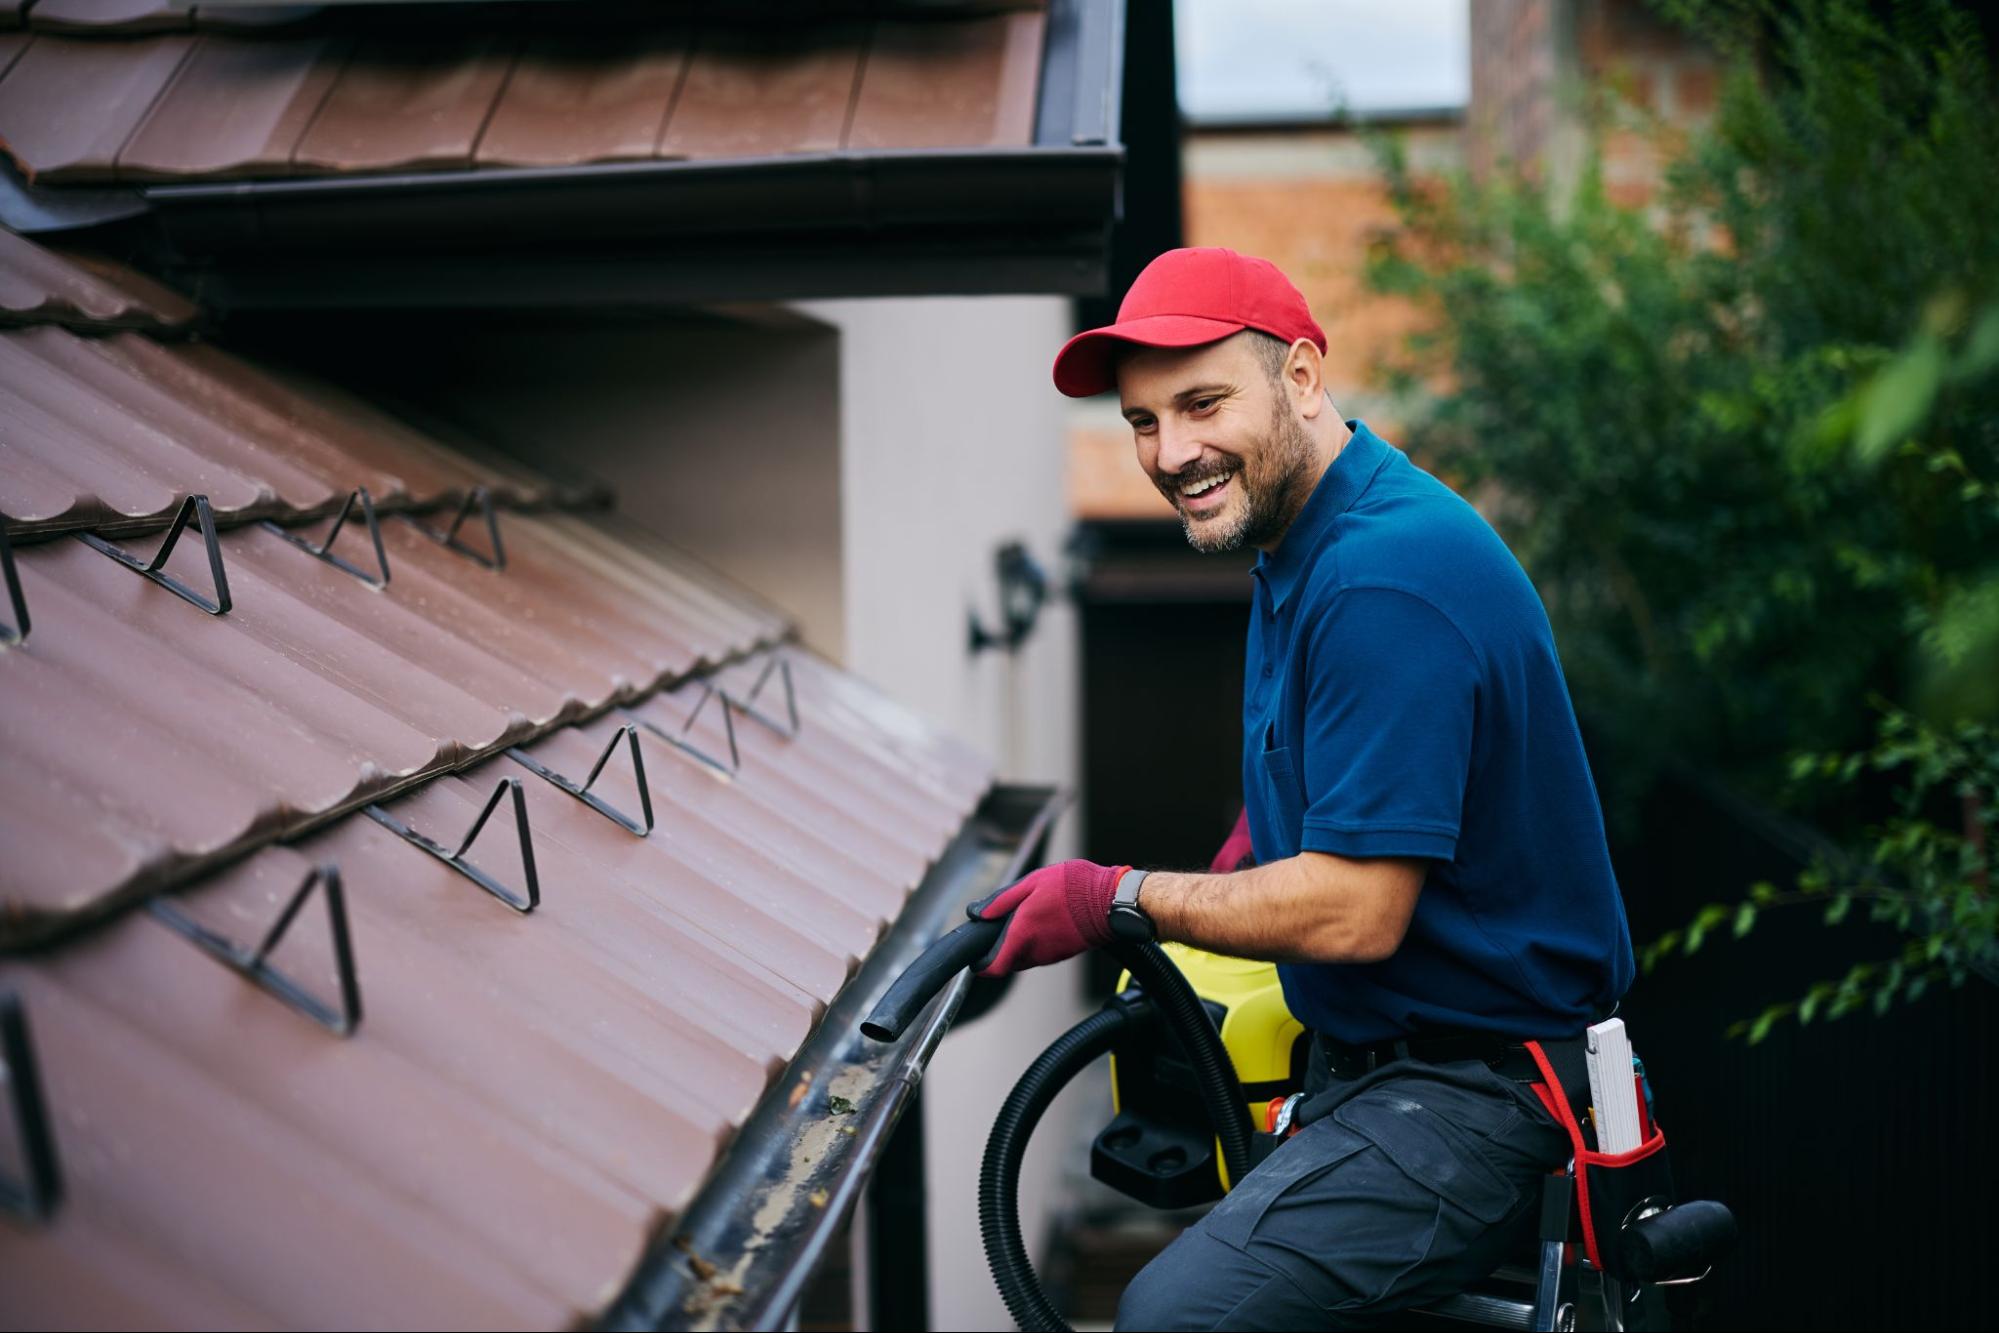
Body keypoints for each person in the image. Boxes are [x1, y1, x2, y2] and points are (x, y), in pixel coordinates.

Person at [970, 247, 1635, 1330]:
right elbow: (1324, 774)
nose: (1172, 451)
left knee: (1173, 1318)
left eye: (1201, 402)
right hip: (1383, 1067)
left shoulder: (1384, 575)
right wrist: (1236, 859)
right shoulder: (1304, 544)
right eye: (1143, 421)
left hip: (1480, 1096)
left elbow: (1356, 909)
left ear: (1303, 377)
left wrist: (1115, 898)